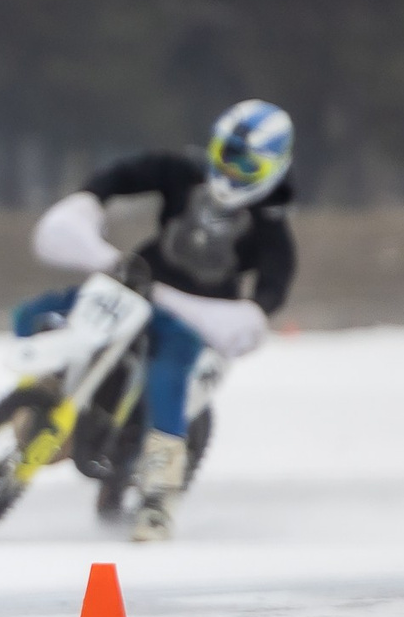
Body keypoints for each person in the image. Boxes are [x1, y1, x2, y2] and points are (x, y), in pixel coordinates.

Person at [21, 100, 295, 541]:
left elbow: (277, 275)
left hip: (196, 316)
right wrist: (90, 198)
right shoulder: (182, 173)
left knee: (169, 378)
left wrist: (256, 309)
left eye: (246, 164)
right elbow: (127, 174)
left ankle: (158, 500)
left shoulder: (269, 223)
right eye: (227, 155)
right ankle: (37, 404)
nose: (231, 170)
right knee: (37, 313)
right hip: (137, 282)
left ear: (271, 167)